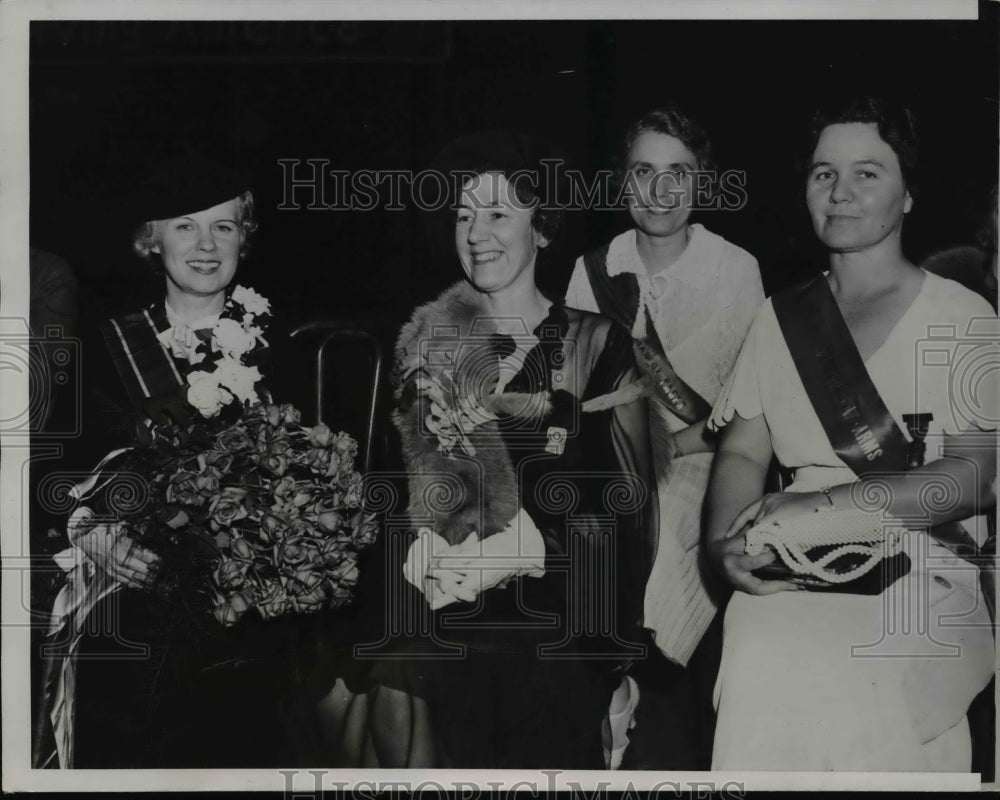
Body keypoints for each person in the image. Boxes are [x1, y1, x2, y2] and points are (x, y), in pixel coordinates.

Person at [705, 97, 996, 771]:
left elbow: (974, 477)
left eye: (867, 173)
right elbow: (744, 450)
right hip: (793, 571)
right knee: (760, 661)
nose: (841, 192)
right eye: (822, 173)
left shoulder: (962, 315)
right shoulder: (778, 319)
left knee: (848, 681)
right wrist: (724, 544)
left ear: (910, 192)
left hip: (925, 568)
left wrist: (817, 510)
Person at [359, 130, 657, 768]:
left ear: (541, 228)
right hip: (442, 601)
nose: (476, 233)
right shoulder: (427, 342)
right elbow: (395, 501)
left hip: (560, 609)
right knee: (398, 669)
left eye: (498, 213)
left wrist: (528, 556)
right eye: (464, 215)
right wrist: (425, 551)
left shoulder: (596, 346)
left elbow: (626, 514)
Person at [34, 157, 306, 768]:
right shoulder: (102, 347)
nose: (207, 245)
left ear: (245, 238)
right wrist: (91, 530)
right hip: (127, 582)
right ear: (151, 241)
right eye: (186, 227)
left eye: (225, 227)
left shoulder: (285, 349)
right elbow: (51, 470)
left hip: (248, 600)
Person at [564, 106, 764, 768]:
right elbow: (582, 397)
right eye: (644, 172)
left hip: (708, 464)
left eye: (678, 174)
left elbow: (728, 418)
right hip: (619, 460)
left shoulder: (734, 270)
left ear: (701, 184)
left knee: (660, 547)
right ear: (623, 184)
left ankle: (632, 692)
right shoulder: (595, 269)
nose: (660, 190)